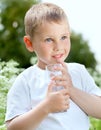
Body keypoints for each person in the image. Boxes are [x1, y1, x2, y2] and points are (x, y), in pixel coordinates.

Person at [5, 2, 101, 130]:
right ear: (29, 43)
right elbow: (12, 127)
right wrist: (46, 107)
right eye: (49, 40)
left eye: (63, 37)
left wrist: (71, 90)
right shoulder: (25, 81)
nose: (59, 47)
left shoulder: (79, 71)